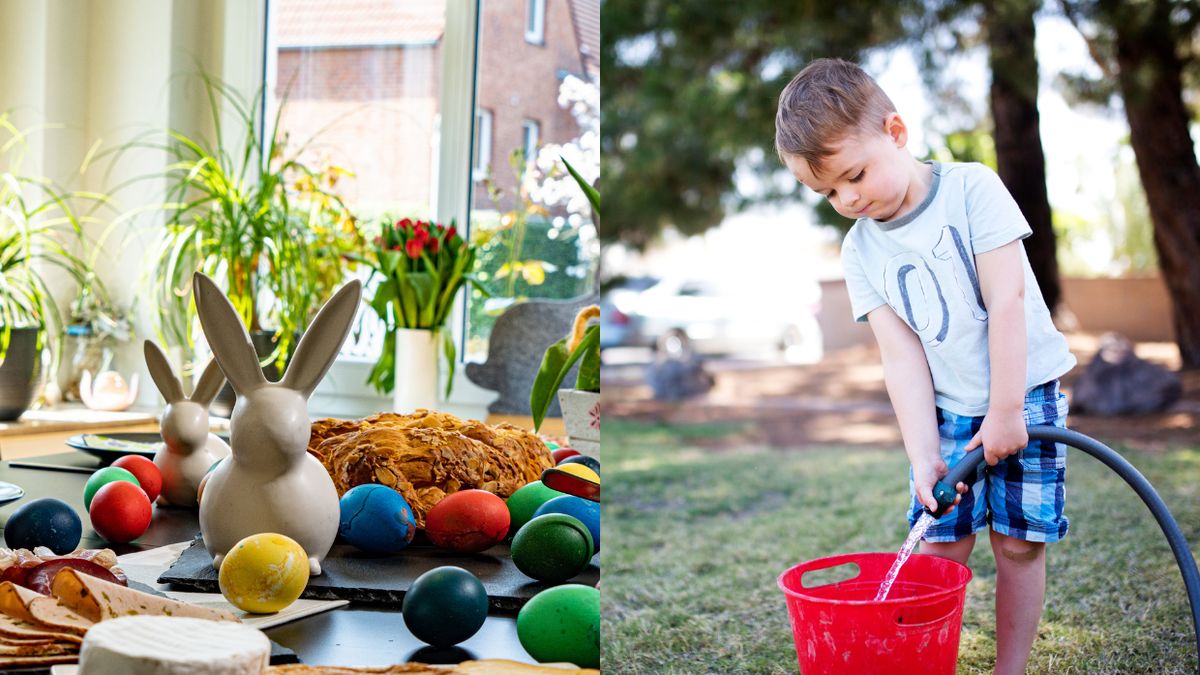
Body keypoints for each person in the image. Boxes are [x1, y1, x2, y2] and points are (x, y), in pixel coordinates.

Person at [774, 58, 1076, 674]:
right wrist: (922, 452)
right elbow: (901, 355)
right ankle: (923, 661)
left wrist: (1007, 409)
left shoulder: (972, 190)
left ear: (897, 131)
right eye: (829, 192)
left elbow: (1008, 299)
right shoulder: (860, 250)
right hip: (947, 411)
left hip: (1026, 393)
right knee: (940, 549)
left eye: (854, 175)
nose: (848, 199)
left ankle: (1008, 669)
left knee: (1018, 545)